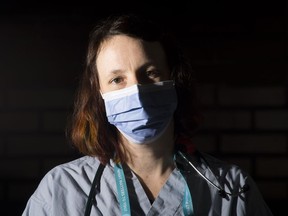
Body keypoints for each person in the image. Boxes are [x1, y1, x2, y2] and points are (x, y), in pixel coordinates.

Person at [22, 13, 273, 216]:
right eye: (117, 79)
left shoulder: (232, 189)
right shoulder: (62, 189)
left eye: (150, 73)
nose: (137, 91)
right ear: (99, 94)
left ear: (175, 80)